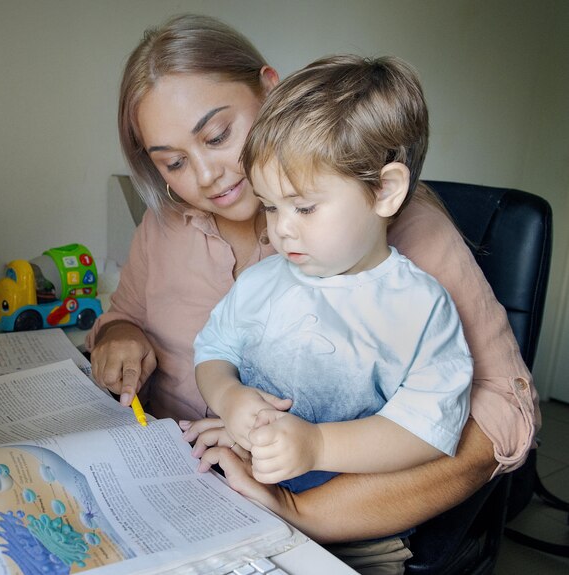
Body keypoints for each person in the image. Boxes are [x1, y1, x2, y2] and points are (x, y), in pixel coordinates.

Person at [86, 11, 538, 568]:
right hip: (179, 477)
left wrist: (308, 507)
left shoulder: (396, 239)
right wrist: (121, 333)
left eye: (219, 136)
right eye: (174, 163)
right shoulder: (167, 223)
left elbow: (501, 413)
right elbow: (131, 315)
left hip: (309, 510)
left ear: (271, 90)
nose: (205, 177)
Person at [192, 56, 472, 570]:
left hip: (354, 538)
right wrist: (227, 395)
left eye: (304, 207)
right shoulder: (263, 281)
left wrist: (317, 445)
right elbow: (213, 352)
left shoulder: (419, 309)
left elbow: (426, 432)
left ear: (384, 191)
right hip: (238, 500)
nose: (282, 230)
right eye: (270, 207)